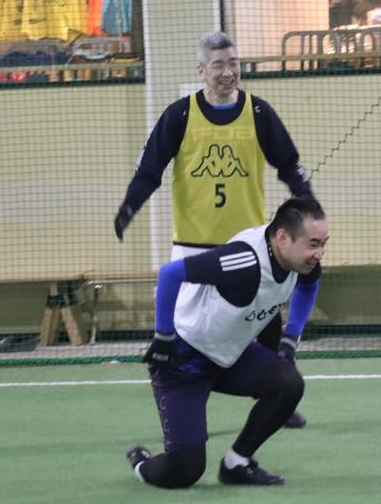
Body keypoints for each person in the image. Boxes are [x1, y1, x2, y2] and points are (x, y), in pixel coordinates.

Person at [114, 31, 314, 424]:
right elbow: (150, 169)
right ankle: (181, 403)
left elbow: (289, 165)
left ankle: (280, 399)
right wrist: (128, 207)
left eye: (233, 63)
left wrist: (308, 204)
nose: (228, 72)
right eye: (218, 65)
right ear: (201, 71)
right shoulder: (180, 115)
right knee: (186, 333)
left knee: (265, 321)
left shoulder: (259, 113)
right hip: (194, 245)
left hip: (249, 246)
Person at [125, 196, 327, 488]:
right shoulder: (243, 261)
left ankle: (237, 463)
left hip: (232, 354)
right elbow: (170, 274)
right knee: (184, 471)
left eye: (323, 244)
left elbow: (309, 285)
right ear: (283, 238)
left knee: (288, 383)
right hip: (184, 361)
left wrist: (290, 339)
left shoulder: (302, 263)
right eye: (313, 244)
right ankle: (141, 462)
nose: (319, 253)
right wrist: (163, 336)